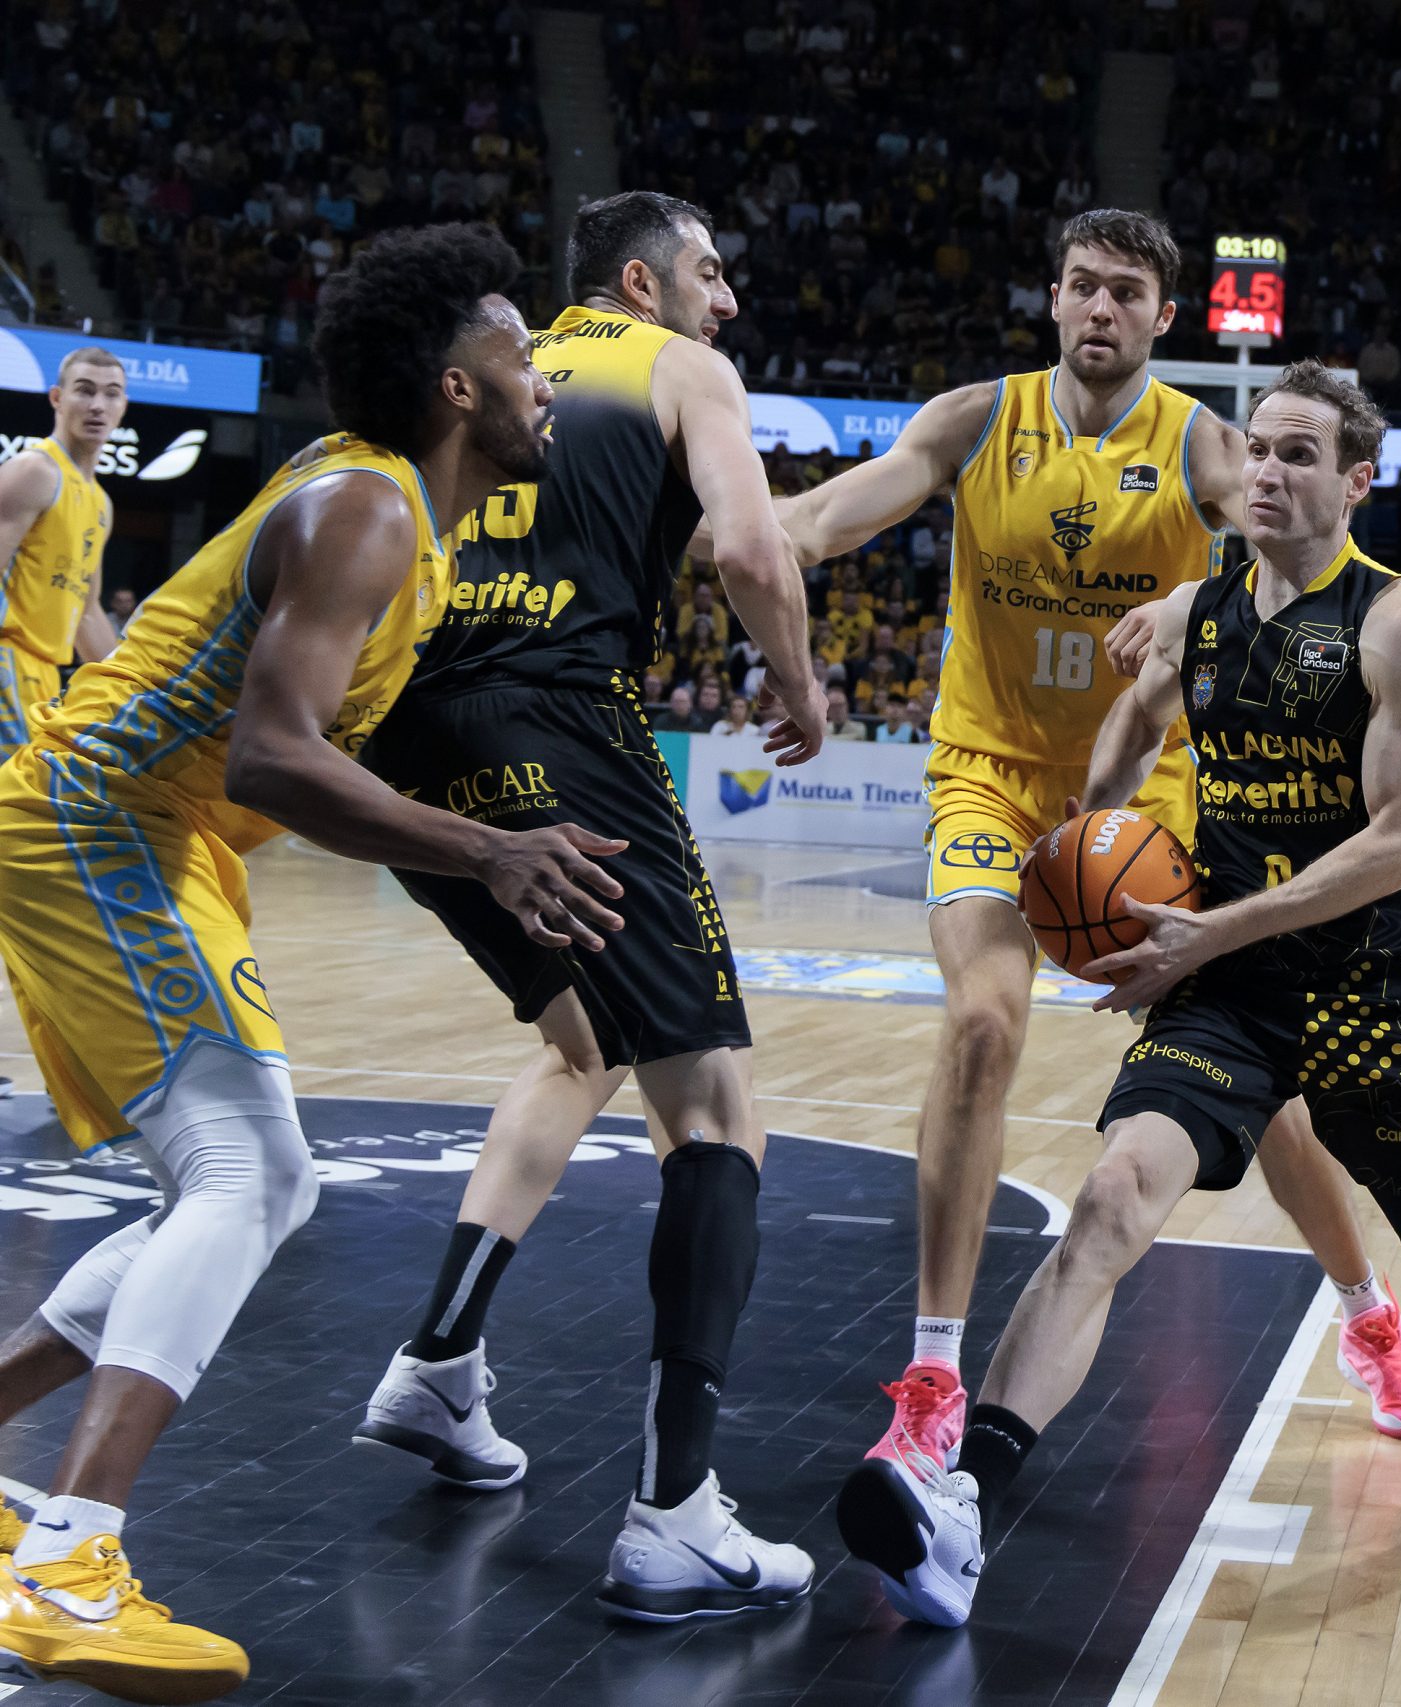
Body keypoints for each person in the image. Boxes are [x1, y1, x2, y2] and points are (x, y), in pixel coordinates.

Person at [834, 362, 1401, 1627]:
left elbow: (1398, 842)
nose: (1269, 474)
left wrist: (1206, 927)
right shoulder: (1197, 611)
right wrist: (1097, 830)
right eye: (1261, 453)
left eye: (1300, 456)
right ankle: (962, 1505)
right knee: (1113, 1199)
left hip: (1374, 990)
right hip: (1226, 984)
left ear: (1356, 480)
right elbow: (1132, 716)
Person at [0, 224, 617, 1700]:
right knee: (253, 1175)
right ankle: (69, 1559)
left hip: (162, 842)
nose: (543, 380)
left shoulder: (407, 514)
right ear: (457, 384)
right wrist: (489, 856)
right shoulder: (367, 509)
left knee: (212, 1189)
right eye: (520, 351)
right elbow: (278, 756)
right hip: (102, 821)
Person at [757, 210, 1401, 1472]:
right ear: (1053, 297)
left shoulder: (1199, 441)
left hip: (1153, 803)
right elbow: (814, 525)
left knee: (1260, 1097)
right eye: (1081, 287)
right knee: (981, 1026)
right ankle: (932, 1370)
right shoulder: (977, 419)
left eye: (1125, 294)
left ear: (1160, 318)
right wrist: (732, 553)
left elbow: (1298, 542)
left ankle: (1369, 1316)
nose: (1098, 311)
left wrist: (1197, 593)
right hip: (991, 776)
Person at [346, 193, 827, 1623]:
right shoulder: (679, 369)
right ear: (641, 278)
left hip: (407, 730)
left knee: (581, 1039)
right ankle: (677, 1512)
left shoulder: (503, 366)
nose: (727, 303)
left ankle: (437, 1363)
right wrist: (798, 684)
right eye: (712, 273)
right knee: (720, 1110)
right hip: (560, 714)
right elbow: (750, 552)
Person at [0, 346, 127, 1101]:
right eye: (84, 389)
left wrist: (137, 691)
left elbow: (85, 618)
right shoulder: (33, 472)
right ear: (56, 397)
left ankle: (73, 1060)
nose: (98, 404)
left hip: (47, 684)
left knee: (33, 872)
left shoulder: (100, 502)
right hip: (7, 671)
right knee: (45, 862)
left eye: (111, 393)